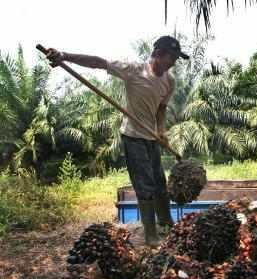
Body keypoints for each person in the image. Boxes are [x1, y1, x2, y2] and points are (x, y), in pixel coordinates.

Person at [46, 36, 190, 245]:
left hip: (151, 137)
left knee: (160, 182)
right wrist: (64, 57)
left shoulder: (170, 80)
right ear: (158, 54)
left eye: (177, 58)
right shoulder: (134, 69)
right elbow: (99, 62)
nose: (174, 62)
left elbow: (161, 108)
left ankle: (166, 223)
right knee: (146, 185)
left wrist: (161, 130)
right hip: (133, 136)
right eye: (172, 57)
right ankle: (150, 234)